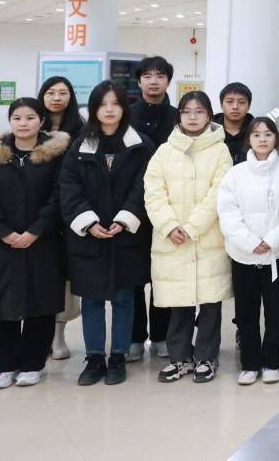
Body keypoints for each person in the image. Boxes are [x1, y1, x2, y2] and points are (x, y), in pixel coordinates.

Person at [58, 81, 154, 386]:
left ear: (124, 107)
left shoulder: (142, 145)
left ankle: (119, 356)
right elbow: (68, 188)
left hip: (127, 235)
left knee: (125, 296)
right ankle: (95, 357)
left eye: (115, 103)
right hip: (89, 237)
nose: (109, 110)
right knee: (92, 298)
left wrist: (125, 219)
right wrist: (88, 222)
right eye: (102, 104)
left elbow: (145, 186)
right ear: (94, 109)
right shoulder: (79, 147)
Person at [0, 98, 70, 389]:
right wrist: (2, 231)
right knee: (5, 302)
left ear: (42, 121)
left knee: (41, 303)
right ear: (10, 121)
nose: (23, 123)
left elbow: (59, 195)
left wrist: (36, 230)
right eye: (17, 118)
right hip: (0, 243)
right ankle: (4, 366)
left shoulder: (55, 156)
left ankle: (32, 364)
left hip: (43, 241)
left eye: (30, 117)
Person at [144, 91, 234, 384]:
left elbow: (220, 193)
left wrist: (193, 227)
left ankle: (207, 357)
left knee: (210, 304)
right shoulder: (164, 151)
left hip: (208, 239)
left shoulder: (220, 151)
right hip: (172, 239)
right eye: (186, 111)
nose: (192, 116)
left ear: (209, 115)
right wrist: (169, 225)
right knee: (178, 304)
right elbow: (153, 194)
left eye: (199, 111)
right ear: (179, 116)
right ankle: (179, 358)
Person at [217, 117, 279, 386]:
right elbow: (228, 214)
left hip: (278, 254)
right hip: (244, 255)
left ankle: (272, 362)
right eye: (257, 134)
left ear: (276, 138)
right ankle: (249, 363)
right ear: (248, 139)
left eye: (268, 134)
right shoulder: (235, 174)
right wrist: (251, 243)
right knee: (246, 313)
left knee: (277, 313)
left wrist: (272, 241)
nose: (262, 139)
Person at [129, 55, 176, 361]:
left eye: (160, 76)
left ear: (168, 81)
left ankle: (161, 336)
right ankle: (134, 338)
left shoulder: (178, 117)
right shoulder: (127, 116)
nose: (154, 81)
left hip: (170, 207)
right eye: (148, 76)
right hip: (132, 206)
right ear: (139, 81)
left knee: (164, 273)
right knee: (134, 275)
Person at [37, 76, 84, 360]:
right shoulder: (32, 126)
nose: (56, 97)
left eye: (63, 93)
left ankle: (58, 336)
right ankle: (37, 335)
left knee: (64, 276)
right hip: (36, 211)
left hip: (67, 212)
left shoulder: (81, 130)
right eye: (51, 92)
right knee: (39, 274)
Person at [215, 82, 253, 166]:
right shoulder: (209, 130)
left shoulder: (256, 131)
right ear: (221, 105)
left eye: (241, 102)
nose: (235, 107)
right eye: (229, 101)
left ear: (249, 106)